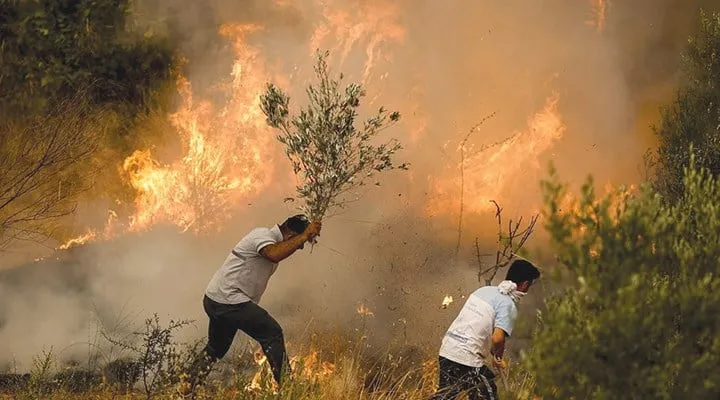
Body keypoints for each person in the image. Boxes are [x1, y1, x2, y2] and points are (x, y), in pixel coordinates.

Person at [181, 214, 321, 394]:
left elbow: (277, 252)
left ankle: (186, 387)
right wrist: (304, 235)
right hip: (229, 301)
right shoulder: (262, 235)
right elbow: (273, 254)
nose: (300, 247)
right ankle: (289, 390)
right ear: (290, 234)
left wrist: (305, 234)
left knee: (217, 347)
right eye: (299, 242)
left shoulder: (271, 239)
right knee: (272, 332)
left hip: (217, 299)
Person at [430, 259, 540, 400]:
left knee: (446, 396)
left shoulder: (483, 291)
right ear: (525, 284)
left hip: (448, 350)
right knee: (487, 393)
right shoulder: (508, 305)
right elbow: (497, 338)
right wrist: (497, 356)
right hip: (467, 359)